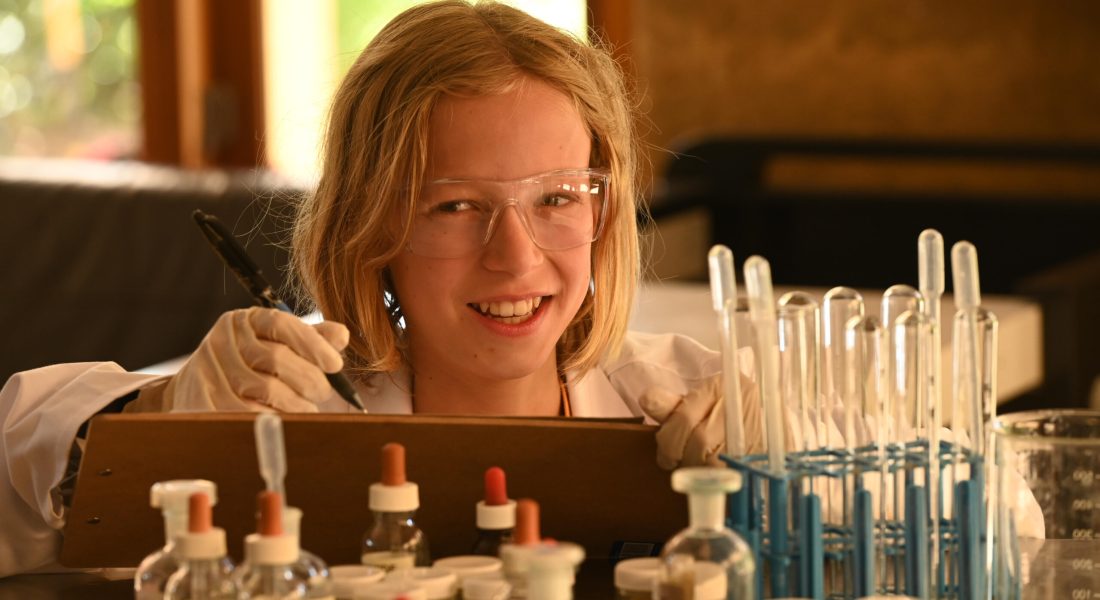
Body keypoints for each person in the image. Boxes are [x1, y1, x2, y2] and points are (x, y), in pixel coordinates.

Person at [0, 1, 768, 578]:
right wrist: (161, 417)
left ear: (604, 210)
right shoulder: (286, 409)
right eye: (455, 206)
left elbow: (839, 484)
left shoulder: (689, 398)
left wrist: (779, 469)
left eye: (557, 197)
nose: (515, 258)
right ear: (370, 226)